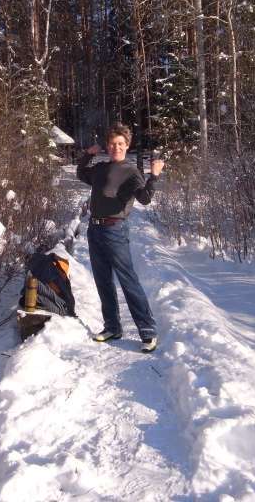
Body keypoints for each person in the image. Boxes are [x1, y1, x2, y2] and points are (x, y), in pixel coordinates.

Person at [77, 123, 165, 353]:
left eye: (120, 144)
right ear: (108, 145)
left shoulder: (131, 172)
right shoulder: (100, 169)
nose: (116, 147)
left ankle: (147, 331)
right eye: (112, 143)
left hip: (114, 230)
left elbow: (145, 198)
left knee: (128, 281)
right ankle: (112, 327)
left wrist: (153, 176)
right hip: (94, 230)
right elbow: (80, 173)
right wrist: (87, 155)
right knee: (103, 280)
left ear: (127, 146)